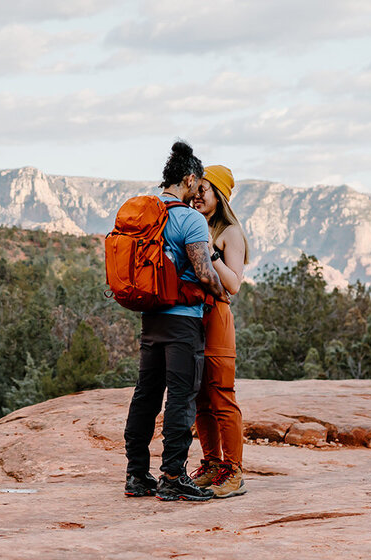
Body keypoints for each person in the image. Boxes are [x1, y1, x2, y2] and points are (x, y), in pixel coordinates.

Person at [123, 141, 230, 502]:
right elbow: (204, 273)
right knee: (181, 398)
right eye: (197, 184)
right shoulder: (189, 219)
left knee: (146, 396)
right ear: (186, 179)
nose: (198, 191)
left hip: (150, 317)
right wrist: (222, 293)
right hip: (183, 321)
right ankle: (172, 475)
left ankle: (137, 475)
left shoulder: (145, 212)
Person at [188, 165, 249, 498]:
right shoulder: (195, 226)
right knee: (200, 396)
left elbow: (234, 284)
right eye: (196, 188)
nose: (197, 195)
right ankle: (212, 465)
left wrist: (211, 251)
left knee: (222, 394)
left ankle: (234, 471)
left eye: (204, 190)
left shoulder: (229, 233)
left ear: (219, 195)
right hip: (192, 316)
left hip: (217, 319)